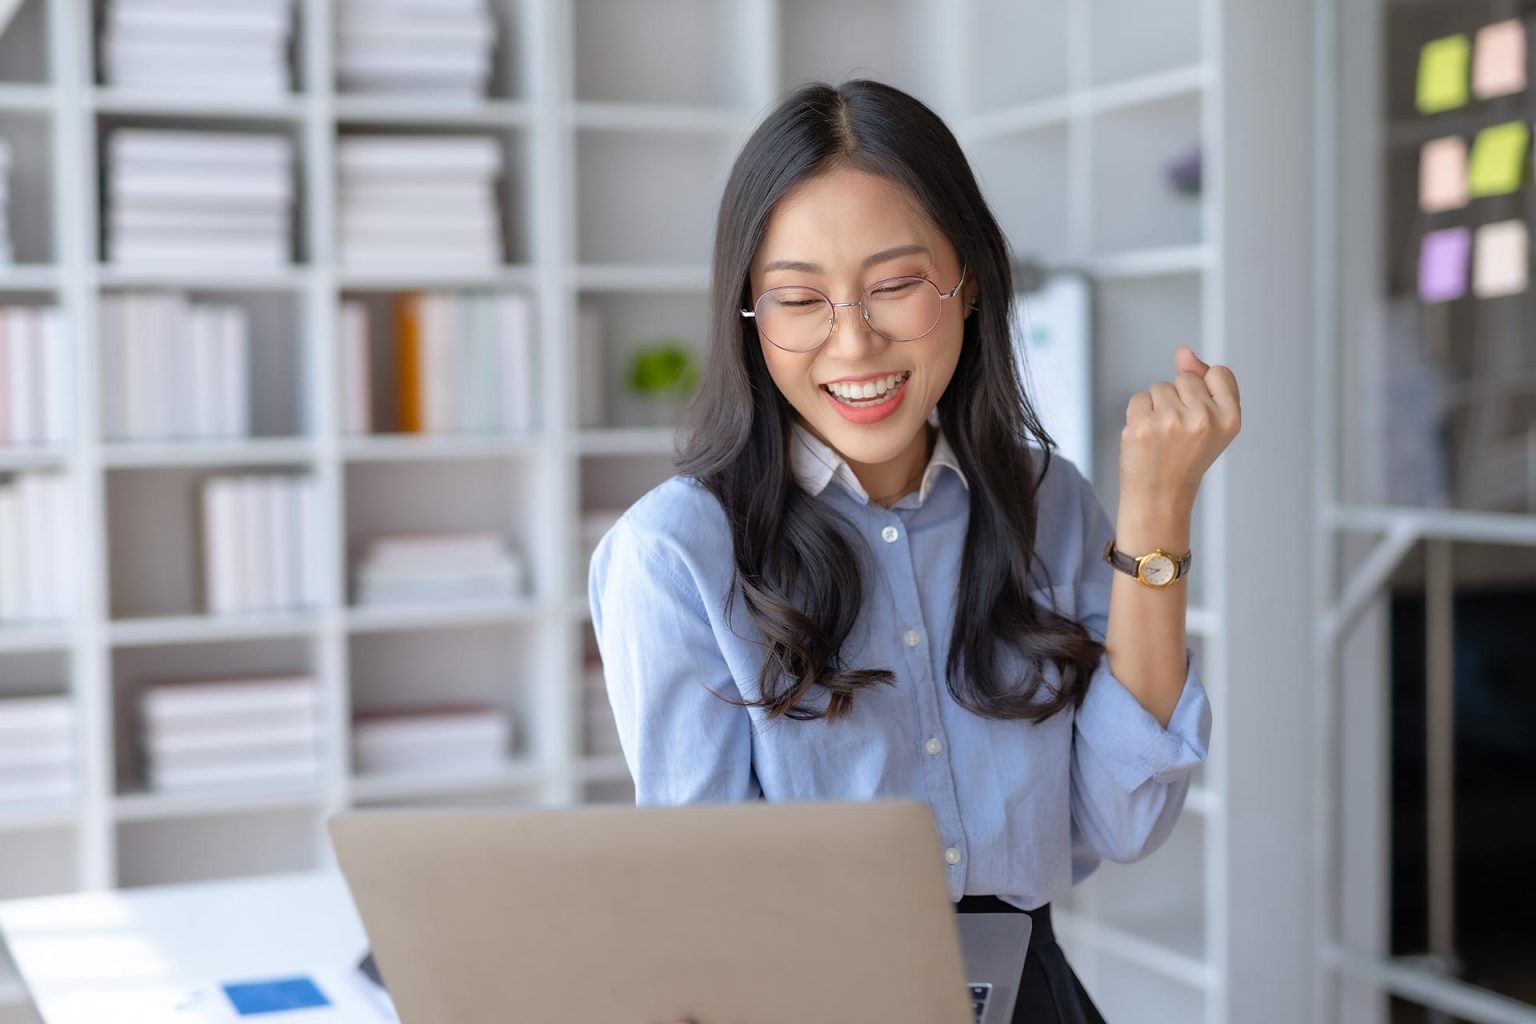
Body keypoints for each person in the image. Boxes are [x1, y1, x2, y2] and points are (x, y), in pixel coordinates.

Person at [588, 79, 1241, 1024]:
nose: (851, 343)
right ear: (750, 317)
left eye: (895, 285)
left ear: (968, 279)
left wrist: (1156, 515)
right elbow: (707, 904)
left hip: (1030, 997)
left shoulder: (1049, 501)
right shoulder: (674, 553)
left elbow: (1123, 821)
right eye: (799, 299)